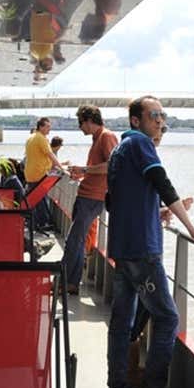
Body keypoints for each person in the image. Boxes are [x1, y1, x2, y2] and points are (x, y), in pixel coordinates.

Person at [106, 95, 194, 388]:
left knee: (122, 323)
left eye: (163, 116)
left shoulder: (120, 150)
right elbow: (163, 183)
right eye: (153, 115)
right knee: (167, 318)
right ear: (136, 120)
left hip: (122, 248)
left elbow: (116, 202)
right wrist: (193, 230)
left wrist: (157, 213)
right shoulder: (140, 145)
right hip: (141, 251)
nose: (160, 121)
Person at [61, 105, 117, 295]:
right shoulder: (97, 138)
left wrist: (84, 170)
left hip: (93, 197)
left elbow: (112, 166)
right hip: (87, 194)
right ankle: (70, 280)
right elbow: (100, 169)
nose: (79, 127)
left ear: (89, 120)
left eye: (80, 123)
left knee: (74, 240)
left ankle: (69, 281)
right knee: (76, 239)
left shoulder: (106, 137)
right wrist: (83, 174)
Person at [24, 117, 63, 228]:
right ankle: (42, 223)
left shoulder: (31, 137)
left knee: (35, 200)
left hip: (30, 173)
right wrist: (61, 168)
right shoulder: (41, 138)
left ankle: (35, 223)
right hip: (39, 173)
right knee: (40, 200)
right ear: (40, 127)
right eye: (47, 126)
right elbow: (51, 154)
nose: (49, 129)